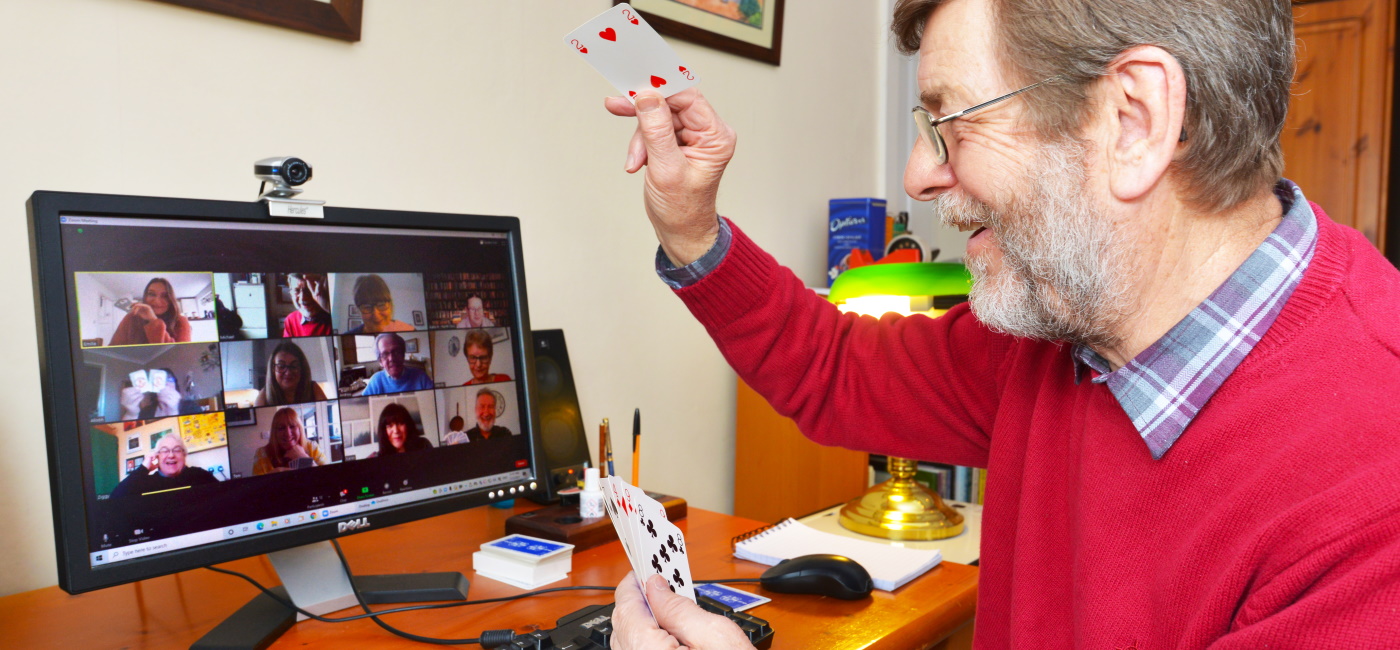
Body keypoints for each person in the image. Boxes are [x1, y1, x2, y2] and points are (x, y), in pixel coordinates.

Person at [604, 0, 1400, 647]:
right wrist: (691, 229)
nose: (919, 175)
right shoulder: (1061, 327)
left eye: (953, 121)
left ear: (1133, 118)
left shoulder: (1374, 507)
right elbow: (835, 368)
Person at [109, 433, 217, 498]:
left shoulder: (199, 475)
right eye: (165, 451)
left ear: (184, 455)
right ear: (157, 456)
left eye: (177, 450)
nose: (171, 455)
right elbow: (115, 498)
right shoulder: (146, 482)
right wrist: (144, 469)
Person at [109, 278, 192, 345]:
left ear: (171, 300)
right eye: (152, 294)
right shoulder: (131, 318)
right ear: (145, 297)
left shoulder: (181, 321)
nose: (157, 301)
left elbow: (179, 355)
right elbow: (114, 348)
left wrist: (153, 320)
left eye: (165, 296)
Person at [252, 407, 326, 475]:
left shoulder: (313, 447)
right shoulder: (262, 454)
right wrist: (271, 478)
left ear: (300, 429)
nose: (288, 433)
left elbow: (327, 478)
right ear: (275, 433)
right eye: (281, 428)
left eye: (292, 426)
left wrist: (304, 457)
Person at [254, 341, 329, 406]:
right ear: (273, 369)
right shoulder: (264, 395)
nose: (288, 372)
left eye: (294, 366)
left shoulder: (313, 388)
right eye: (281, 366)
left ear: (302, 368)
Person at [361, 333, 434, 395]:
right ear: (380, 362)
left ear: (403, 355)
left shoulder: (421, 377)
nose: (391, 358)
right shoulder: (375, 381)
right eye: (385, 354)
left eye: (396, 352)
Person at [345, 274, 413, 334]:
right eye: (367, 307)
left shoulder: (409, 330)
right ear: (358, 310)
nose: (376, 315)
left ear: (390, 305)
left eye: (381, 305)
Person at [118, 367, 184, 420]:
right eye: (161, 380)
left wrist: (173, 411)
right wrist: (131, 414)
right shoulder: (146, 412)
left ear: (175, 385)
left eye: (170, 380)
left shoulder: (190, 407)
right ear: (153, 387)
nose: (166, 384)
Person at [281, 273, 332, 337]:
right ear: (291, 293)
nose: (303, 298)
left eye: (308, 290)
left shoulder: (333, 316)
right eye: (297, 290)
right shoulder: (290, 320)